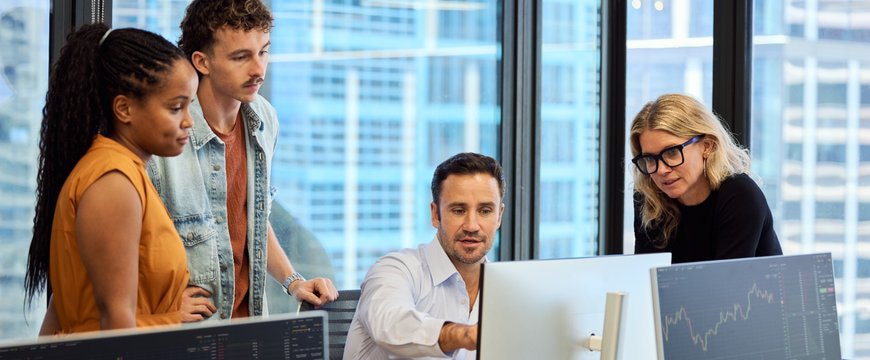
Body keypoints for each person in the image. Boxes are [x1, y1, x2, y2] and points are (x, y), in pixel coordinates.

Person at [147, 0, 337, 321]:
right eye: (241, 57)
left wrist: (293, 281)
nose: (259, 69)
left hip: (249, 326)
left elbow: (254, 217)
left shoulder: (264, 119)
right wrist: (157, 305)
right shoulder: (164, 134)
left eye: (263, 51)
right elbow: (129, 242)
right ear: (202, 62)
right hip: (188, 331)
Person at [24, 23, 216, 334]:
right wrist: (169, 317)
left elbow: (60, 317)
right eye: (175, 107)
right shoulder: (113, 181)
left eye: (189, 106)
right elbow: (116, 325)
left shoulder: (117, 170)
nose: (189, 122)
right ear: (124, 108)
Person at [344, 152, 505, 359]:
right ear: (435, 214)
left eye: (485, 211)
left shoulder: (505, 293)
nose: (472, 226)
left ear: (499, 216)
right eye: (458, 210)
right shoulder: (394, 270)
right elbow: (391, 322)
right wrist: (464, 335)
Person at [630, 93, 782, 263]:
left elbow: (726, 284)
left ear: (707, 146)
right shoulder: (649, 195)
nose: (661, 170)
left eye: (672, 152)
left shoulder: (740, 196)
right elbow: (646, 278)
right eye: (650, 159)